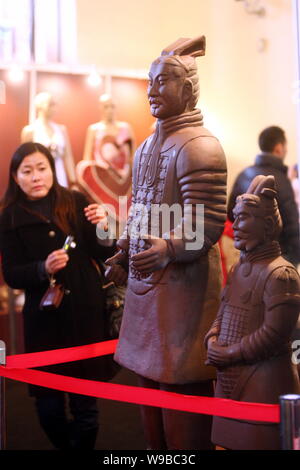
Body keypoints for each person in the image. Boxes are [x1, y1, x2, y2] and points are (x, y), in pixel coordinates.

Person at [101, 35, 227, 449]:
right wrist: (122, 251)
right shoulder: (144, 147)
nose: (152, 91)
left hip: (181, 295)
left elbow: (207, 223)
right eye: (150, 82)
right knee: (147, 392)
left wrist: (169, 248)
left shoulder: (201, 146)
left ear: (188, 90)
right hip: (143, 287)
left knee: (181, 395)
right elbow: (139, 209)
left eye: (163, 82)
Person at [0, 142, 118, 450]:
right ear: (15, 176)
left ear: (52, 171)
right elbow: (12, 274)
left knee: (86, 407)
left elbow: (102, 251)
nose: (36, 177)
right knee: (48, 407)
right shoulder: (9, 217)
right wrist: (42, 267)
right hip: (43, 319)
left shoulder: (74, 200)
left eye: (42, 169)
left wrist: (104, 226)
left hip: (84, 311)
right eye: (27, 171)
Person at [205, 175, 300, 450]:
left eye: (243, 219)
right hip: (229, 377)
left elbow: (274, 334)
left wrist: (231, 353)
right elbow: (223, 310)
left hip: (264, 380)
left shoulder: (281, 273)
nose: (235, 227)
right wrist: (212, 338)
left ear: (268, 225)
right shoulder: (238, 269)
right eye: (235, 218)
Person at [228, 126, 300, 267]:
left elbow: (231, 215)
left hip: (245, 257)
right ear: (279, 148)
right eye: (285, 148)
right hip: (274, 259)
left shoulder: (243, 175)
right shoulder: (281, 180)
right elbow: (292, 227)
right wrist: (294, 259)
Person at [76, 94, 134, 223]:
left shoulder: (126, 128)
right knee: (107, 211)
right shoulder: (94, 129)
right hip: (103, 177)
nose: (109, 110)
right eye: (106, 107)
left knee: (125, 210)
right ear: (101, 108)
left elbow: (132, 156)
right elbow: (87, 158)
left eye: (112, 106)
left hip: (123, 178)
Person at [21, 92, 77, 188]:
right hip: (39, 175)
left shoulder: (61, 129)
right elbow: (24, 160)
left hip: (59, 173)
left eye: (55, 104)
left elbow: (68, 156)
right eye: (50, 104)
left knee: (61, 199)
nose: (54, 108)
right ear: (40, 106)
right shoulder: (30, 131)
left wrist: (73, 181)